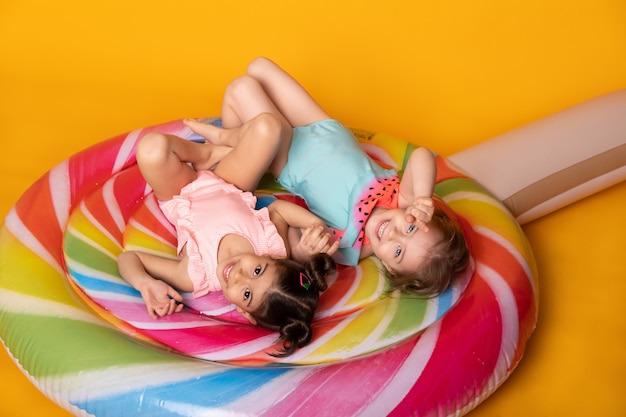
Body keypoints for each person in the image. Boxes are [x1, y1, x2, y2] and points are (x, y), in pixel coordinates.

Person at [184, 57, 470, 296]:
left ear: (391, 267)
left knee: (242, 88)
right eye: (410, 229)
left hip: (289, 156)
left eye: (397, 251)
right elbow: (421, 155)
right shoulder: (402, 200)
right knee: (258, 66)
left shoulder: (350, 246)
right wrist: (422, 197)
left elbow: (302, 242)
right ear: (420, 218)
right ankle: (232, 145)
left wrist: (309, 250)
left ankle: (229, 146)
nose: (393, 233)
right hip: (323, 127)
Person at [118, 113, 338, 357]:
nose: (239, 275)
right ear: (272, 259)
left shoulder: (196, 275)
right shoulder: (271, 246)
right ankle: (207, 154)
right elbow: (278, 210)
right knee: (269, 126)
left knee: (152, 149)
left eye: (246, 294)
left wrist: (144, 283)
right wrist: (314, 223)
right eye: (257, 270)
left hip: (182, 192)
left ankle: (212, 154)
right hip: (232, 183)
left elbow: (130, 258)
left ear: (243, 311)